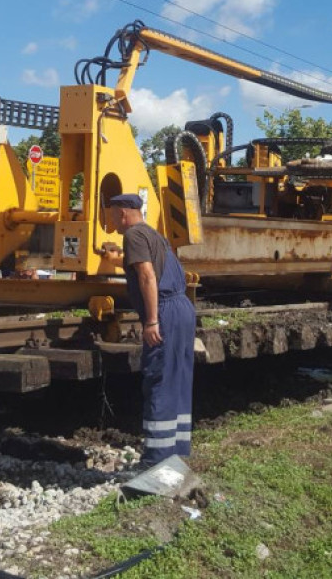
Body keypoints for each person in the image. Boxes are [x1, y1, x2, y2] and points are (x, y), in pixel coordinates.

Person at [104, 193, 196, 465]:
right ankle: (176, 451)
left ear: (123, 213)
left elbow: (146, 275)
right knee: (177, 378)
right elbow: (144, 266)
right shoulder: (154, 235)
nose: (111, 221)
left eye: (111, 214)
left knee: (159, 380)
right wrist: (114, 260)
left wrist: (152, 320)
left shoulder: (132, 235)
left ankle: (156, 460)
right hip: (182, 308)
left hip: (165, 310)